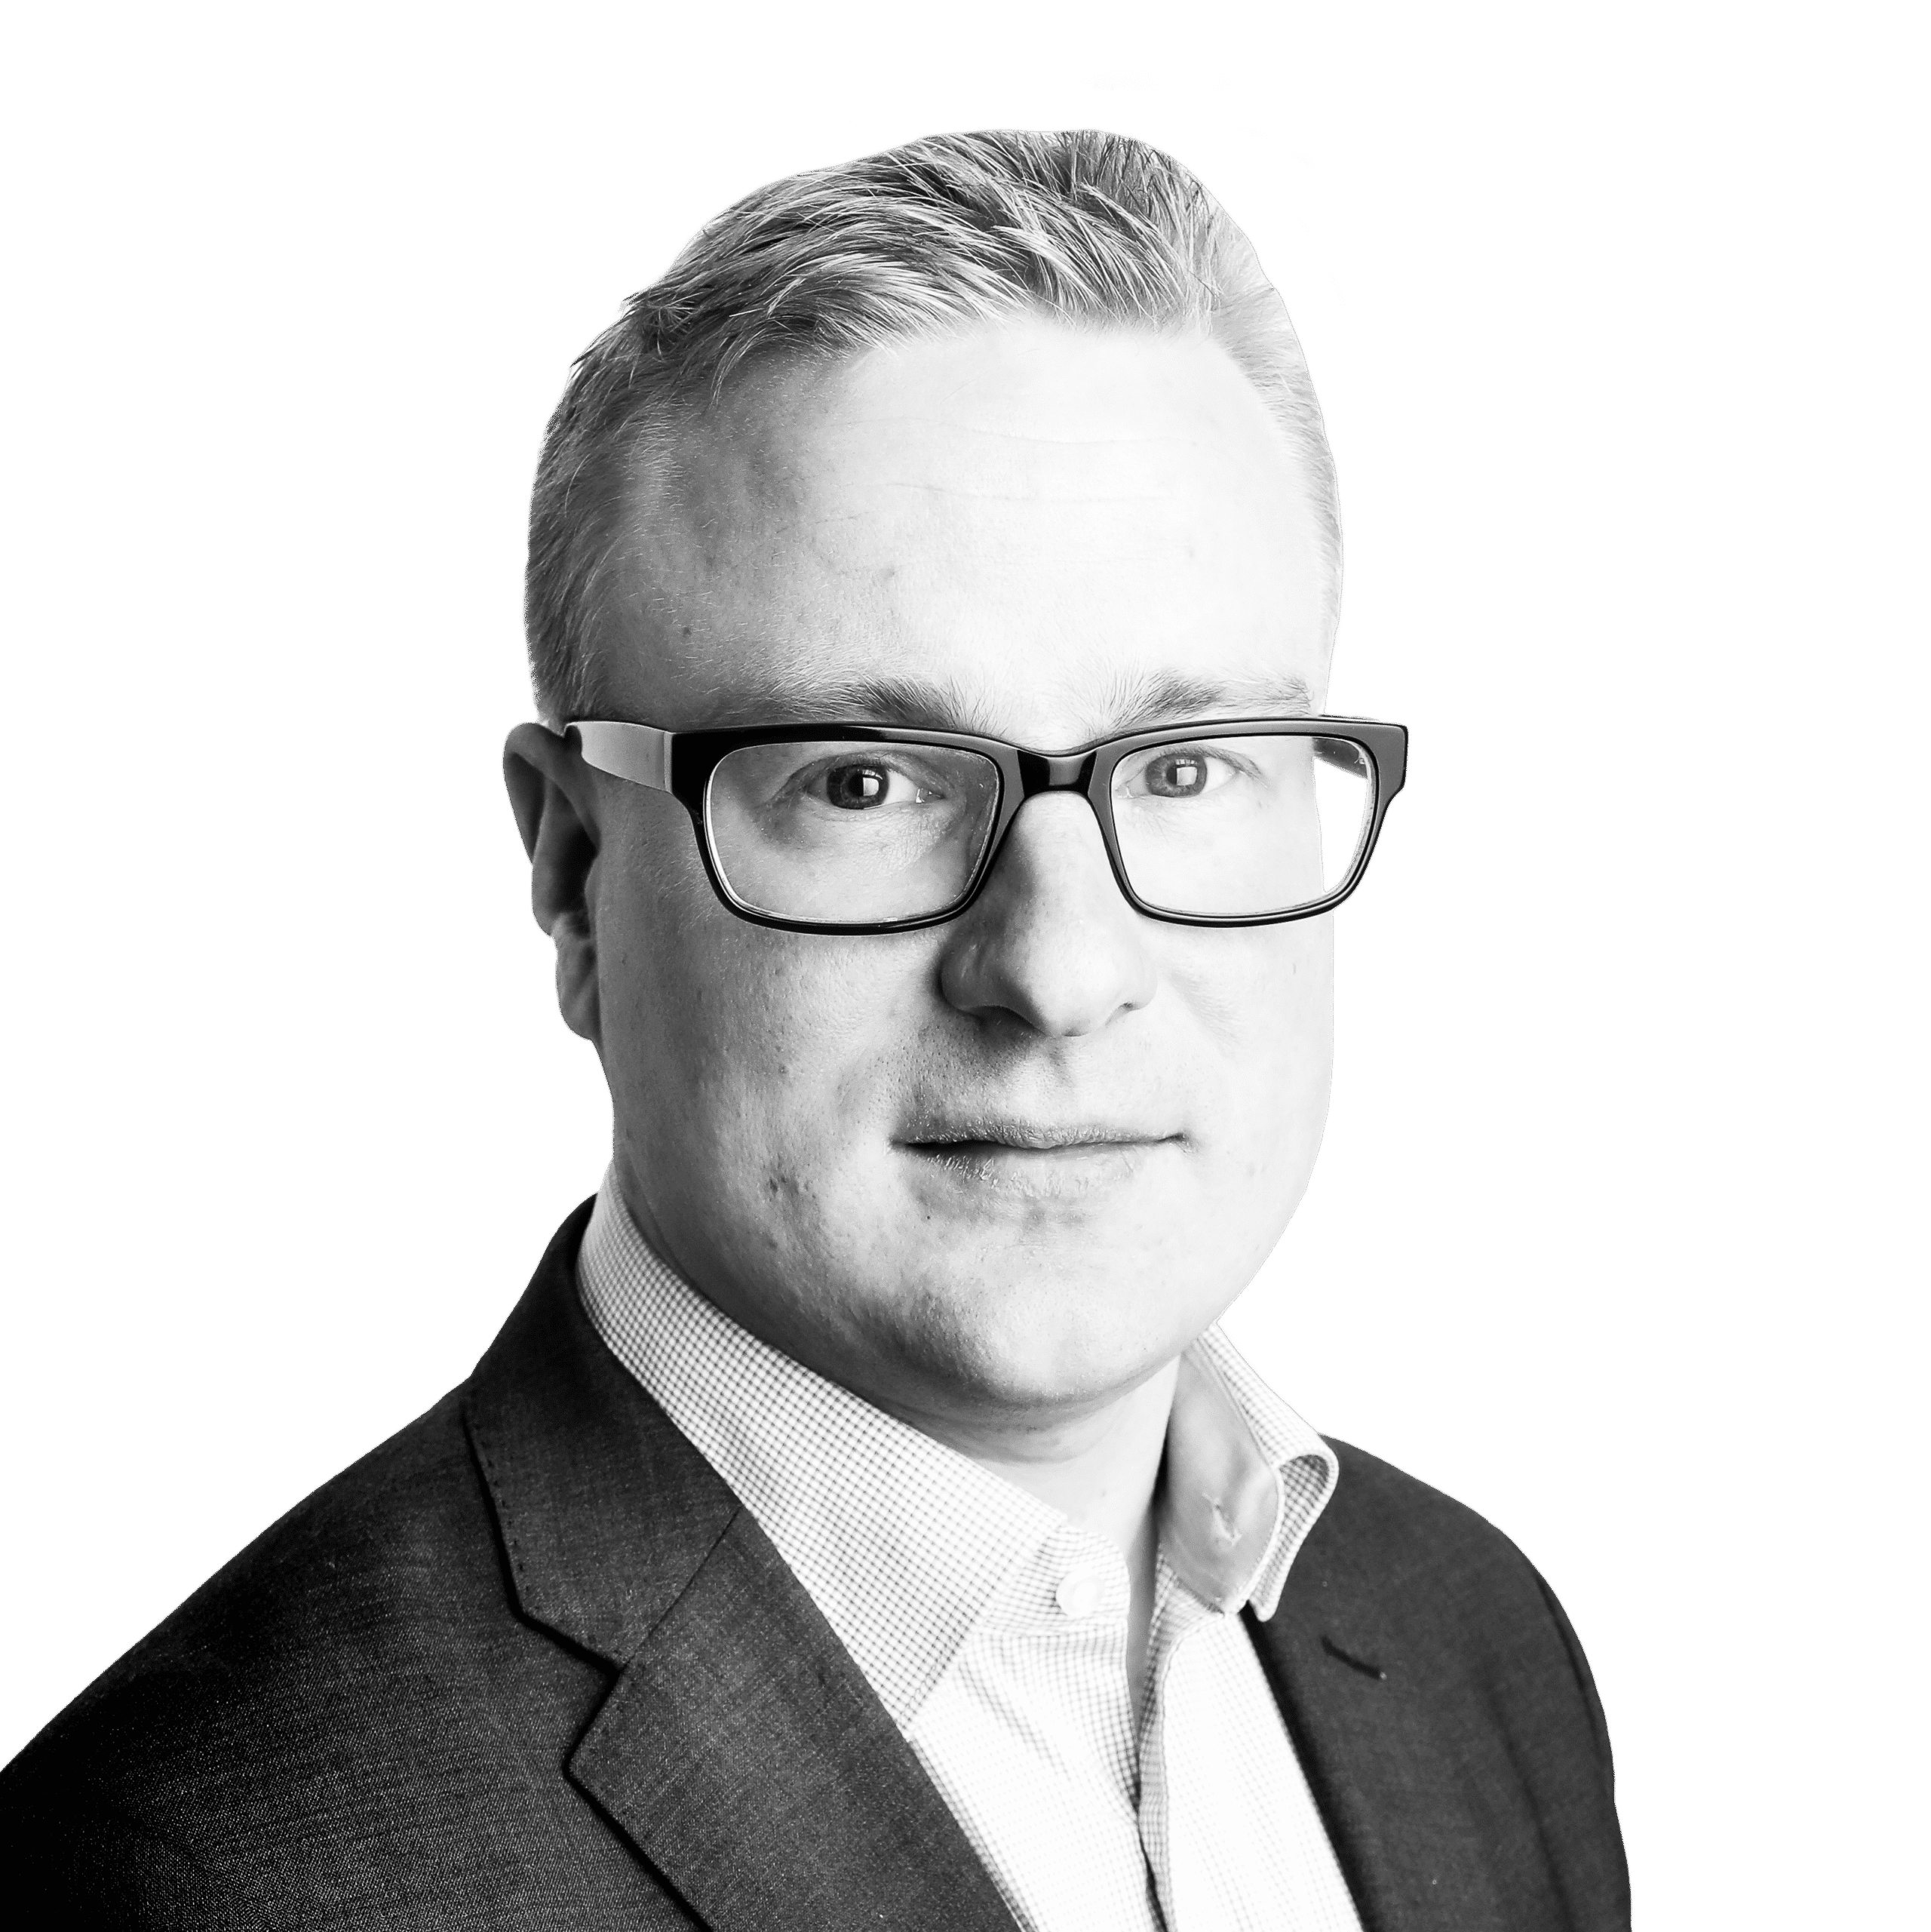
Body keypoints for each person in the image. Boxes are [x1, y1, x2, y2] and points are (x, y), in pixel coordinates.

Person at [0, 128, 1629, 1929]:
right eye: (862, 781)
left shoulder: (1469, 1643)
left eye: (1186, 768)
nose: (1057, 968)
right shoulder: (208, 1876)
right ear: (572, 871)